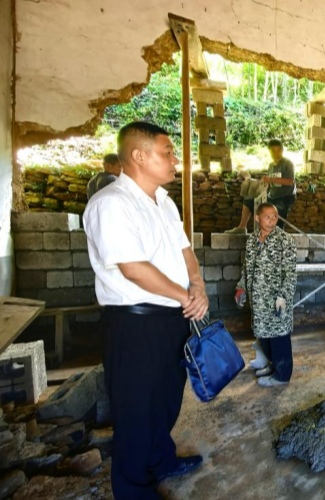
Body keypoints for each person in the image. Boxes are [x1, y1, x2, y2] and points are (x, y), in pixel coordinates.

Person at [83, 122, 208, 498]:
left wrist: (197, 285)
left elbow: (186, 252)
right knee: (135, 409)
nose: (175, 159)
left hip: (173, 318)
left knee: (167, 398)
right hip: (134, 323)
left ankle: (161, 459)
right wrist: (184, 295)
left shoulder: (164, 201)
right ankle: (134, 489)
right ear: (139, 156)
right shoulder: (111, 204)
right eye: (167, 152)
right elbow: (132, 267)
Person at [234, 203, 298, 387]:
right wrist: (241, 287)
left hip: (276, 300)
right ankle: (272, 365)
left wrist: (283, 296)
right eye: (267, 216)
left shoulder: (285, 240)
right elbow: (247, 268)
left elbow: (290, 272)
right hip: (258, 300)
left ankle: (282, 375)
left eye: (275, 217)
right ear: (257, 218)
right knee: (265, 335)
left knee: (279, 336)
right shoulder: (252, 240)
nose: (271, 220)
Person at [262, 139, 296, 229]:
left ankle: (278, 239)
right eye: (273, 150)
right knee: (251, 204)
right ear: (269, 151)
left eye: (278, 150)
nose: (276, 153)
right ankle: (242, 228)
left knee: (276, 222)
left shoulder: (287, 164)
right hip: (272, 197)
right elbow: (270, 183)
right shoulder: (270, 166)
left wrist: (272, 179)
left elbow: (290, 181)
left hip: (285, 197)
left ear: (282, 150)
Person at [225, 169, 266, 234]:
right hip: (263, 191)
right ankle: (242, 227)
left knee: (254, 187)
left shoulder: (284, 164)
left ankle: (261, 230)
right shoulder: (272, 166)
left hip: (275, 194)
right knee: (249, 197)